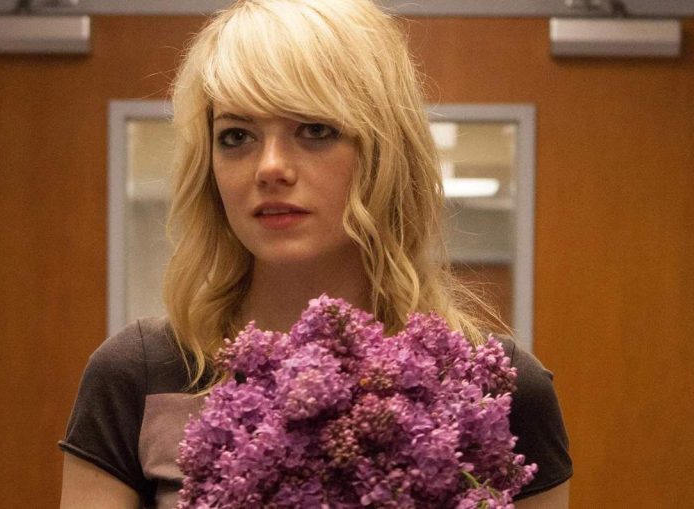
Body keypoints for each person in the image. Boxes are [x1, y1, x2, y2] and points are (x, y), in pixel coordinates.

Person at [59, 0, 572, 507]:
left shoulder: (494, 389)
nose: (270, 167)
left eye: (315, 130)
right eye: (236, 136)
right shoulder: (138, 375)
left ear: (384, 154)